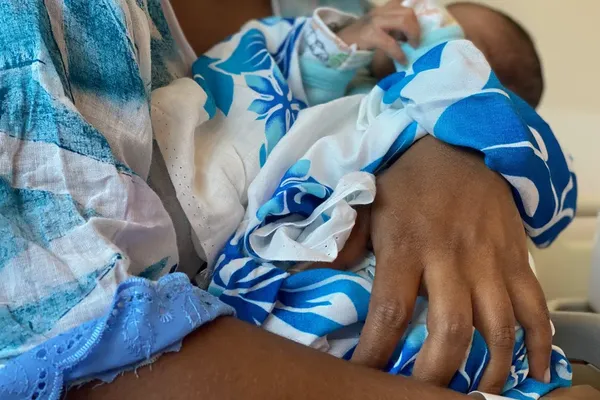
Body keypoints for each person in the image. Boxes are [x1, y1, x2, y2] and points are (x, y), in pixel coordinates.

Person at [0, 1, 589, 399]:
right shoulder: (334, 44)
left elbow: (510, 144)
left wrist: (457, 149)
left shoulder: (453, 96)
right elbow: (86, 341)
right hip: (269, 286)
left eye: (453, 34)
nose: (421, 29)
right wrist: (343, 47)